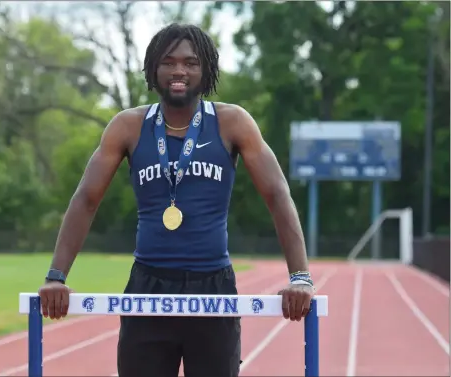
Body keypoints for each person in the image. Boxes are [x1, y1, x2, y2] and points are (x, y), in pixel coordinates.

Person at [38, 23, 315, 377]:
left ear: (207, 70)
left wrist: (300, 277)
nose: (179, 70)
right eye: (168, 62)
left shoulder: (232, 123)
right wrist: (56, 276)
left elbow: (277, 196)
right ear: (154, 68)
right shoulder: (128, 126)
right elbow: (86, 199)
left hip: (213, 287)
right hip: (148, 287)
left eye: (190, 62)